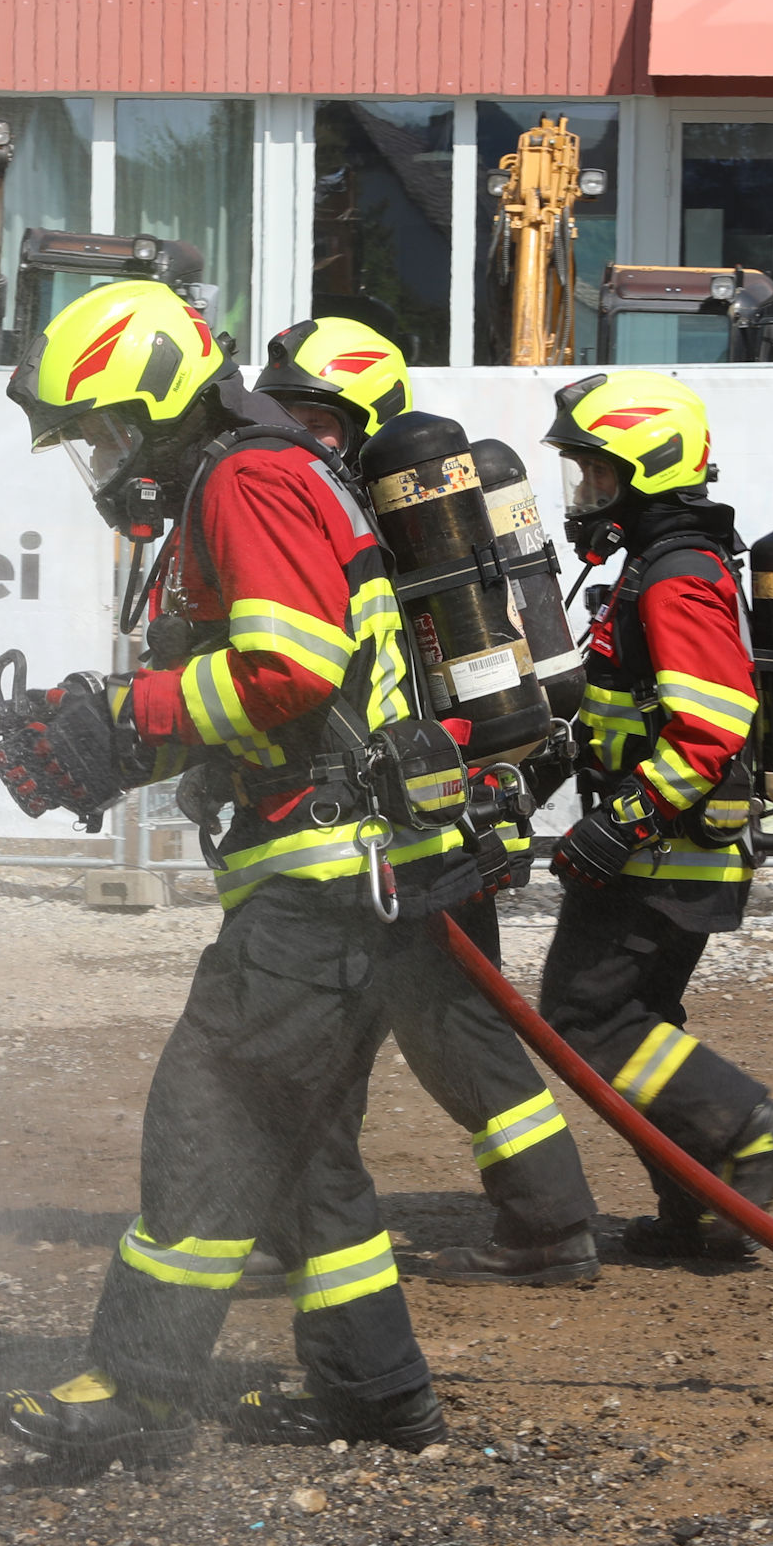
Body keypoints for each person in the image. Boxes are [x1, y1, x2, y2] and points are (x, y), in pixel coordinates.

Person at [0, 281, 520, 1470]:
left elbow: (285, 669)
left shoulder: (246, 479)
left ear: (166, 400)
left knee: (210, 1108)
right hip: (347, 874)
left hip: (323, 878)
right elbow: (255, 695)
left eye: (110, 432)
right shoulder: (259, 473)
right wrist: (117, 737)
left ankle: (140, 1382)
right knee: (305, 1146)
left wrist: (132, 711)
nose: (105, 461)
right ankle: (380, 1393)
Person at [256, 316, 601, 1289]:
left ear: (365, 421)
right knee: (450, 1028)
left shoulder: (360, 528)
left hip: (386, 832)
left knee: (343, 1032)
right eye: (283, 413)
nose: (293, 436)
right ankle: (548, 1220)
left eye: (314, 417)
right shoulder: (377, 521)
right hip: (441, 820)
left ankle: (316, 1237)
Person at [537, 370, 773, 1262]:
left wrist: (623, 820)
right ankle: (700, 1211)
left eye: (594, 474)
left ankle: (757, 1131)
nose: (583, 495)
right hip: (665, 853)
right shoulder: (662, 567)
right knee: (638, 1025)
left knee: (587, 1022)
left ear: (642, 470)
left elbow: (711, 726)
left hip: (665, 856)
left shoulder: (676, 576)